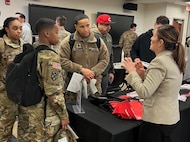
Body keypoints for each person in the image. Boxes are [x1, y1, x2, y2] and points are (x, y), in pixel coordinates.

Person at [122, 25, 186, 142]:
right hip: (169, 118)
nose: (151, 39)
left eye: (154, 36)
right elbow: (163, 84)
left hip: (157, 121)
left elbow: (144, 92)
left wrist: (132, 72)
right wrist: (142, 75)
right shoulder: (173, 58)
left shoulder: (159, 62)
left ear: (161, 42)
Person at [17, 18, 70, 141]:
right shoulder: (50, 57)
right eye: (56, 32)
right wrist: (63, 115)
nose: (58, 36)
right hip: (43, 115)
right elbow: (53, 91)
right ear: (47, 33)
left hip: (26, 110)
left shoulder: (30, 50)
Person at [59, 14, 109, 100]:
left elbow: (105, 59)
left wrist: (91, 73)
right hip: (74, 86)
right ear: (76, 27)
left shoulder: (97, 41)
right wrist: (81, 70)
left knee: (94, 110)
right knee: (74, 110)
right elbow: (62, 61)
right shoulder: (69, 41)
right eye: (82, 26)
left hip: (94, 84)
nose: (86, 29)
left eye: (87, 25)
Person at [0, 17, 24, 142]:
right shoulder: (1, 44)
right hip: (6, 92)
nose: (19, 31)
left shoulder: (23, 45)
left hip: (21, 91)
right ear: (6, 29)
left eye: (20, 28)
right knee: (6, 124)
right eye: (15, 28)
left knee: (23, 123)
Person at [91, 14, 115, 95]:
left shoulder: (108, 37)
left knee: (102, 98)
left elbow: (110, 54)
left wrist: (111, 71)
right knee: (92, 99)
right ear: (99, 24)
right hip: (94, 74)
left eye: (109, 25)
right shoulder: (91, 36)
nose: (109, 28)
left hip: (105, 73)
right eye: (107, 25)